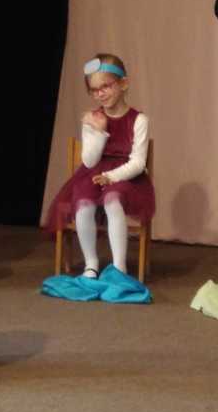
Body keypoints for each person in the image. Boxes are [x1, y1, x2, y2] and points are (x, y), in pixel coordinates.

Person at [46, 53, 155, 277]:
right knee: (83, 203)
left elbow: (138, 162)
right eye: (94, 90)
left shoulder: (138, 120)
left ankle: (119, 267)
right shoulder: (92, 119)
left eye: (106, 86)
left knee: (112, 200)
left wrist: (111, 177)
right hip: (94, 173)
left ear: (123, 84)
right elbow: (89, 161)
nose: (100, 94)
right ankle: (91, 263)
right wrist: (99, 131)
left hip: (126, 176)